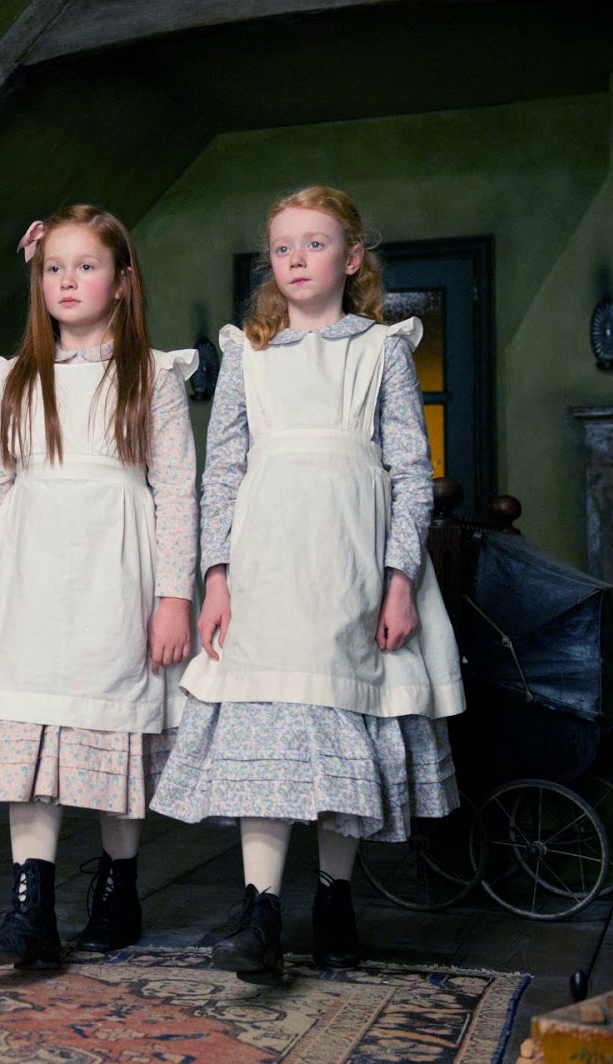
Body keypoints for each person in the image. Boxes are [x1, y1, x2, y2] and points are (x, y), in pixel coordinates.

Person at [150, 185, 464, 984]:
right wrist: (216, 577)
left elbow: (411, 471)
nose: (295, 259)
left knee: (339, 717)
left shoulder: (382, 349)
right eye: (282, 247)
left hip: (351, 562)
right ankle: (259, 910)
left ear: (351, 258)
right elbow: (222, 473)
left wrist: (400, 579)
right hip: (267, 565)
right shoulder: (248, 355)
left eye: (315, 244)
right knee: (267, 724)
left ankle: (333, 899)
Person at [0, 205, 198, 967]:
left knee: (109, 724)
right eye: (53, 267)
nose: (66, 280)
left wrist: (175, 597)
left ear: (121, 282)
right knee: (28, 730)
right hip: (23, 578)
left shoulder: (152, 376)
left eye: (85, 266)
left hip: (115, 575)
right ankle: (31, 908)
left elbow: (178, 491)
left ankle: (118, 888)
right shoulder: (17, 379)